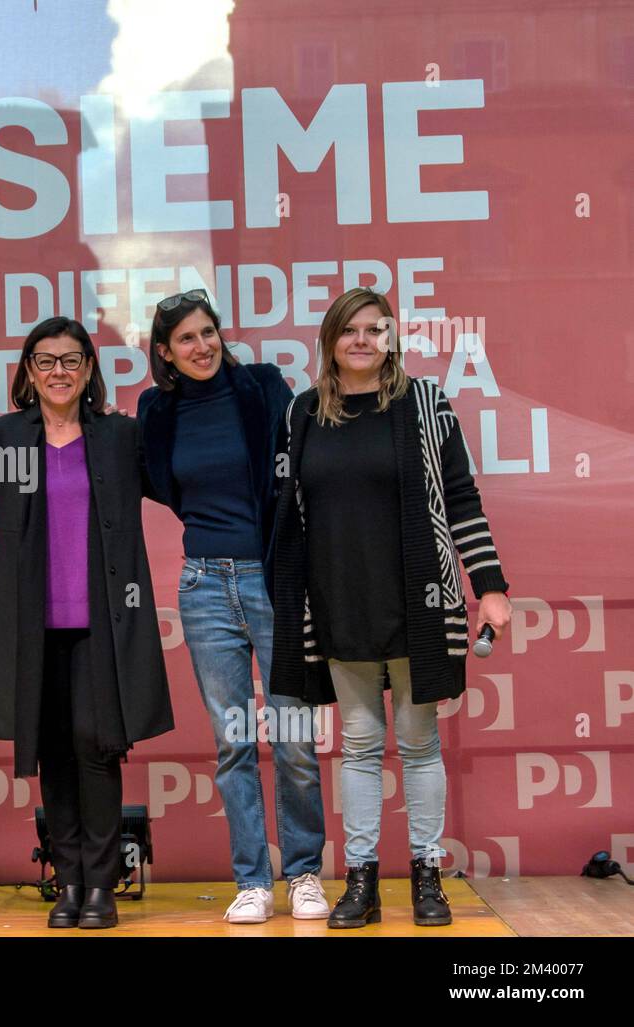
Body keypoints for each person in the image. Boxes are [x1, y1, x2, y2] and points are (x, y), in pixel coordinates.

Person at [269, 287, 512, 928]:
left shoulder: (425, 404)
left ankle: (428, 880)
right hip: (339, 602)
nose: (361, 340)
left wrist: (489, 584)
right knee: (357, 746)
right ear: (330, 339)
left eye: (375, 330)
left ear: (391, 339)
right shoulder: (301, 414)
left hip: (417, 601)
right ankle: (362, 884)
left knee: (419, 742)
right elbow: (289, 519)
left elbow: (461, 497)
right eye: (349, 330)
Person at [0, 316, 173, 930]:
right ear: (28, 371)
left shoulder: (120, 436)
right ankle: (69, 881)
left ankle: (102, 885)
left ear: (88, 369)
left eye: (71, 360)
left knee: (96, 745)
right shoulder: (2, 438)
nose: (58, 372)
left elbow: (184, 477)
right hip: (30, 623)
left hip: (105, 619)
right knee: (52, 748)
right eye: (45, 360)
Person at [138, 289, 328, 924]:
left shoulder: (264, 388)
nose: (202, 346)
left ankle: (303, 871)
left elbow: (300, 467)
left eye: (209, 332)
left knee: (295, 736)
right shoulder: (155, 411)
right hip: (202, 587)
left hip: (272, 581)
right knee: (233, 742)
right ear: (164, 352)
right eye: (186, 339)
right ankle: (253, 881)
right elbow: (156, 482)